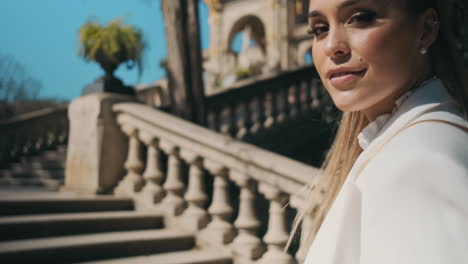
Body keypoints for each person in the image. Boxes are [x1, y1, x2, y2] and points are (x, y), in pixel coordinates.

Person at [289, 0, 468, 263]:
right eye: (319, 29)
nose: (331, 46)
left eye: (360, 18)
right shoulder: (408, 144)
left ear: (426, 30)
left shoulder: (417, 162)